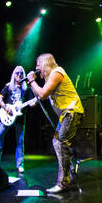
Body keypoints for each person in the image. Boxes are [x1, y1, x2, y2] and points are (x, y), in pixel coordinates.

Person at [27, 54, 84, 193]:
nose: (36, 68)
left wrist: (31, 81)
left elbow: (43, 94)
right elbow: (44, 94)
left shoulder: (57, 73)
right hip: (65, 115)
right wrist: (35, 98)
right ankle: (70, 172)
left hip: (71, 112)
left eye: (38, 65)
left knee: (61, 142)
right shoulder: (52, 76)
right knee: (56, 142)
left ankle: (63, 183)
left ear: (45, 64)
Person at [0, 66, 37, 173]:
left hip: (20, 118)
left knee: (20, 141)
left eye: (21, 73)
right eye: (17, 73)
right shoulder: (8, 86)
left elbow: (31, 104)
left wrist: (35, 101)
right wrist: (5, 107)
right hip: (6, 117)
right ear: (14, 74)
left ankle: (20, 165)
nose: (19, 75)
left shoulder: (27, 89)